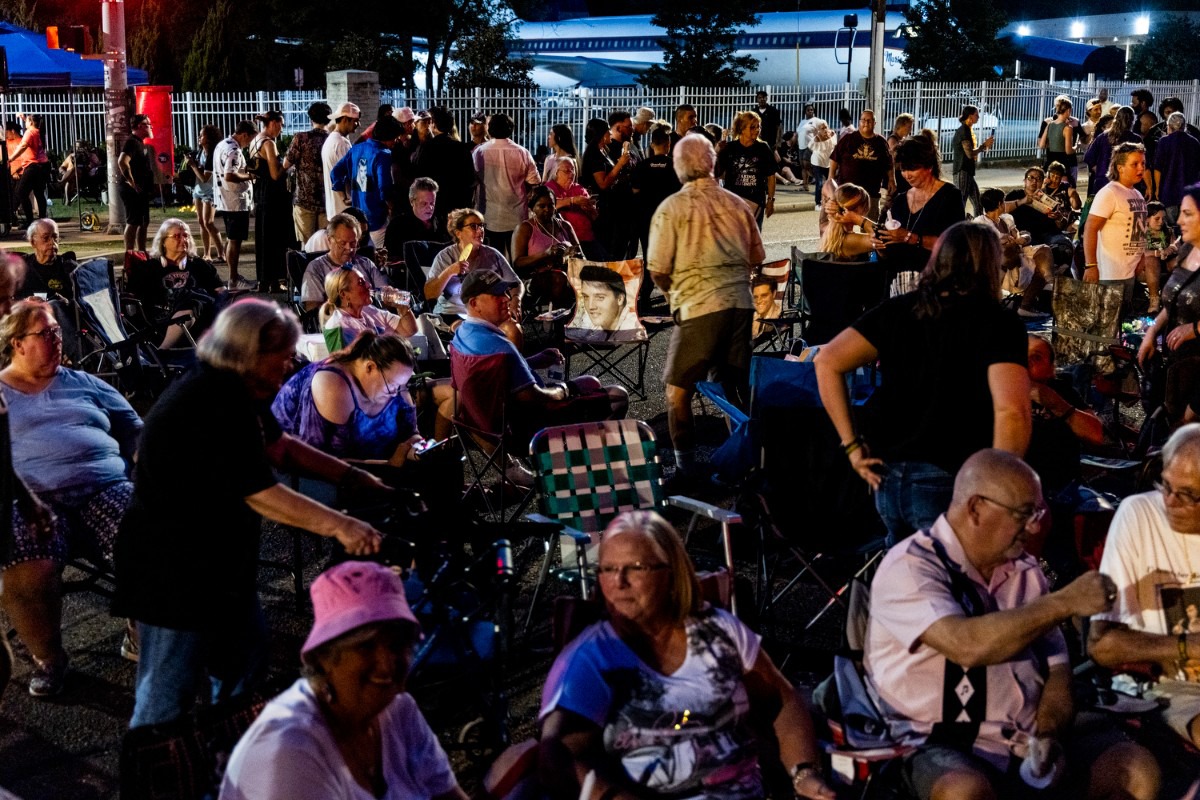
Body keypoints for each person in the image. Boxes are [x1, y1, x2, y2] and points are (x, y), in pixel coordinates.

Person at [114, 298, 390, 727]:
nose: (288, 365)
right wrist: (342, 526)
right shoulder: (212, 399)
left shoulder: (243, 388)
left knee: (244, 665)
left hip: (220, 561)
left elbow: (279, 447)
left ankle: (230, 762)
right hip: (174, 570)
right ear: (248, 353)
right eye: (280, 357)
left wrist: (351, 475)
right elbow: (261, 492)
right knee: (167, 696)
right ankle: (155, 774)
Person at [865, 449, 1159, 800]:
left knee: (1136, 769)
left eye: (1037, 512)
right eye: (1024, 513)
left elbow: (1058, 671)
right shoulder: (912, 567)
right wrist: (1063, 601)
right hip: (934, 738)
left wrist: (1050, 735)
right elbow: (967, 646)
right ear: (975, 508)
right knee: (965, 790)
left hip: (1026, 739)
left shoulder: (1024, 570)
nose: (1035, 526)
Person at [539, 510, 837, 800]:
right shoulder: (593, 657)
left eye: (635, 567)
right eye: (607, 569)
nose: (618, 582)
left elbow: (780, 701)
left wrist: (805, 774)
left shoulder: (718, 631)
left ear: (670, 572)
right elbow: (558, 754)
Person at [814, 222, 1030, 541]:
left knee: (906, 582)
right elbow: (1012, 412)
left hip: (888, 475)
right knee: (951, 583)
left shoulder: (900, 310)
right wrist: (996, 488)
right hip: (953, 478)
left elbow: (827, 360)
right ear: (989, 265)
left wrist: (853, 447)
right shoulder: (997, 323)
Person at [219, 560, 467, 800]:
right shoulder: (289, 752)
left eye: (397, 644)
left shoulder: (401, 712)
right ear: (324, 658)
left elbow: (449, 795)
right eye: (365, 646)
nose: (385, 664)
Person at [0, 300, 142, 696]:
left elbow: (134, 426)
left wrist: (143, 457)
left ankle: (139, 632)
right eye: (45, 334)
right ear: (18, 344)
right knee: (29, 564)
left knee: (149, 537)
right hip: (32, 498)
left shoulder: (84, 382)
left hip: (104, 487)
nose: (57, 339)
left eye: (57, 332)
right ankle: (49, 659)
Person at [648, 134, 763, 482]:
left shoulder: (672, 208)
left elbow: (657, 269)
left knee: (678, 391)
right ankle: (744, 462)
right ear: (712, 163)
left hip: (699, 306)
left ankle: (686, 469)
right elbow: (757, 257)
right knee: (733, 389)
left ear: (679, 167)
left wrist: (676, 295)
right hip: (740, 304)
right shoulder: (737, 204)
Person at [1087, 423, 1200, 748]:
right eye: (1165, 485)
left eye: (1188, 494)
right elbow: (1101, 646)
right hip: (1173, 688)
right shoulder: (1139, 515)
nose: (1170, 501)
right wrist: (1186, 646)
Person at [451, 269, 627, 451]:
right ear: (474, 303)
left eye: (505, 292)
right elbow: (531, 397)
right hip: (529, 429)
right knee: (617, 396)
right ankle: (587, 458)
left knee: (592, 381)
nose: (506, 299)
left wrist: (535, 360)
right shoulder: (500, 347)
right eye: (497, 295)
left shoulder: (461, 338)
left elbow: (499, 376)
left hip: (490, 427)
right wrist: (562, 391)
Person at [273, 331, 453, 470]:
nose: (396, 393)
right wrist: (388, 464)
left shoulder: (394, 385)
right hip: (307, 471)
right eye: (392, 385)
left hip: (370, 463)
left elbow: (410, 432)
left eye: (401, 386)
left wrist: (415, 447)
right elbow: (316, 459)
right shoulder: (333, 385)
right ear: (370, 367)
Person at [1137, 183, 1200, 421]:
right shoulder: (1186, 251)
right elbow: (1171, 301)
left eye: (1188, 214)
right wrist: (1152, 332)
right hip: (1179, 362)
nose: (1179, 221)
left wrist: (1194, 329)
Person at [871, 135, 965, 278]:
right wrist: (881, 246)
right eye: (903, 169)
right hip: (899, 282)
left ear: (929, 166)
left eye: (912, 168)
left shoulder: (950, 196)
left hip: (934, 281)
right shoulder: (900, 200)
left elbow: (953, 245)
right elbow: (890, 253)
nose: (907, 175)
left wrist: (910, 237)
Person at [426, 208, 523, 343]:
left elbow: (515, 283)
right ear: (458, 233)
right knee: (473, 334)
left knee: (513, 330)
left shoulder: (492, 254)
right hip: (453, 313)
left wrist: (515, 300)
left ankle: (515, 363)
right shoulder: (445, 257)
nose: (480, 230)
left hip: (487, 313)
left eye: (482, 225)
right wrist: (449, 271)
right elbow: (429, 294)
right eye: (473, 226)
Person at [126, 218, 225, 348]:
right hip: (160, 322)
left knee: (192, 300)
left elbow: (221, 293)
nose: (183, 240)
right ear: (163, 241)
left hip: (199, 324)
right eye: (177, 236)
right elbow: (130, 299)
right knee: (187, 299)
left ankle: (162, 351)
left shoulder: (200, 266)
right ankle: (163, 351)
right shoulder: (148, 269)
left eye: (186, 236)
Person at [1083, 142, 1148, 317]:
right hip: (1109, 273)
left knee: (1121, 324)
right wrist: (1090, 265)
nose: (1141, 168)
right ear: (1120, 167)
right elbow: (1090, 228)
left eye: (1143, 163)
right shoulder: (1109, 193)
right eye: (1135, 164)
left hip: (1128, 272)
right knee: (1105, 324)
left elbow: (1140, 229)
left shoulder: (1137, 194)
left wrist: (1141, 257)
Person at [975, 188, 1053, 319]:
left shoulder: (1006, 219)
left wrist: (1025, 237)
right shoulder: (980, 223)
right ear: (1000, 204)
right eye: (1004, 202)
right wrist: (1002, 241)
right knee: (1007, 251)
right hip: (998, 263)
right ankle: (991, 303)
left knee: (1044, 250)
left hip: (1018, 256)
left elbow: (1020, 234)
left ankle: (1045, 285)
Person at [472, 113, 540, 259]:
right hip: (517, 216)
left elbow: (472, 180)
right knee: (517, 259)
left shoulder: (479, 152)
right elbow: (535, 182)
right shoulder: (522, 152)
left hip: (489, 215)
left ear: (489, 129)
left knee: (492, 260)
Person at [331, 114, 400, 251]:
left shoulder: (356, 149)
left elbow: (335, 172)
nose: (396, 141)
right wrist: (391, 207)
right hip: (377, 218)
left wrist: (343, 195)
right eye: (395, 137)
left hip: (358, 217)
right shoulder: (383, 154)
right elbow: (384, 187)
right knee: (380, 258)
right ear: (389, 136)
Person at [300, 215, 393, 313]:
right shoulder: (316, 269)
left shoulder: (365, 263)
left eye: (353, 243)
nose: (349, 249)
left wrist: (390, 297)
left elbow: (384, 295)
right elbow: (312, 309)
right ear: (329, 240)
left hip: (374, 321)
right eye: (342, 243)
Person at [319, 266, 417, 353]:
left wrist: (402, 307)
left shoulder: (370, 311)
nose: (368, 285)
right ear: (344, 294)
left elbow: (408, 330)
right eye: (361, 283)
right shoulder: (338, 327)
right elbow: (348, 366)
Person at [247, 111, 294, 291]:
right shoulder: (269, 144)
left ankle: (264, 279)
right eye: (281, 124)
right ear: (273, 123)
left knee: (263, 237)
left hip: (261, 193)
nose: (281, 128)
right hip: (273, 195)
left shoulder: (255, 141)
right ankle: (274, 279)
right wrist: (288, 165)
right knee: (275, 239)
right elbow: (275, 174)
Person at [511, 185, 576, 312]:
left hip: (567, 272)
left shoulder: (564, 226)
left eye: (551, 205)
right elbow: (517, 263)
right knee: (559, 278)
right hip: (535, 278)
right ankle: (559, 324)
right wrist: (545, 254)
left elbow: (581, 255)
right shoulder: (525, 228)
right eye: (542, 206)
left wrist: (570, 254)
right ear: (532, 208)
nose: (547, 209)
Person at [411, 106, 476, 225]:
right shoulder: (461, 148)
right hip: (457, 207)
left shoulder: (425, 148)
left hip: (434, 207)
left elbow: (418, 177)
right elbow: (470, 180)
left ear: (433, 124)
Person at [213, 120, 258, 290]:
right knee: (235, 240)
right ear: (244, 134)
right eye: (250, 139)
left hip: (225, 198)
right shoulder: (234, 151)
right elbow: (230, 175)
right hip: (235, 200)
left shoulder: (222, 145)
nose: (249, 143)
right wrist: (251, 177)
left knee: (231, 238)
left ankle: (234, 276)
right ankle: (233, 279)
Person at [582, 117, 633, 261]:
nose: (610, 135)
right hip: (601, 210)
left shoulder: (604, 151)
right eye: (607, 132)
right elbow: (603, 183)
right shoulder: (594, 155)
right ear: (601, 135)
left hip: (611, 207)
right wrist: (620, 164)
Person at [829, 109, 894, 221]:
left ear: (874, 123)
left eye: (869, 120)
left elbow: (889, 163)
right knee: (843, 225)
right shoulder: (848, 139)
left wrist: (892, 179)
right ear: (859, 121)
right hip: (847, 193)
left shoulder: (881, 142)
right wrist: (830, 178)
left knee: (870, 229)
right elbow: (834, 159)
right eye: (863, 120)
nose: (866, 123)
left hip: (871, 194)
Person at [717, 110, 777, 229]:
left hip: (755, 200)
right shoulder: (730, 148)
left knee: (752, 237)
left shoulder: (763, 148)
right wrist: (718, 150)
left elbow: (771, 175)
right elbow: (718, 173)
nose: (756, 130)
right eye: (752, 127)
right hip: (733, 200)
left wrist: (770, 200)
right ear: (742, 129)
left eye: (758, 127)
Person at [283, 101, 331, 244]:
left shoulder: (301, 138)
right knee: (325, 244)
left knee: (307, 244)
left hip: (304, 199)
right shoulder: (333, 140)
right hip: (326, 199)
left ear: (311, 119)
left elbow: (286, 164)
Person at [384, 177, 450, 263]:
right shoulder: (397, 226)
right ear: (412, 201)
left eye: (432, 203)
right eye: (424, 203)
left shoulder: (443, 223)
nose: (430, 208)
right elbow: (390, 258)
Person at [185, 124, 225, 262]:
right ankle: (207, 254)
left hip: (210, 191)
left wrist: (192, 165)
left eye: (202, 135)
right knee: (201, 222)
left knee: (209, 222)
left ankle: (221, 253)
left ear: (209, 138)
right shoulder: (200, 152)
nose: (199, 137)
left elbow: (204, 177)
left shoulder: (213, 154)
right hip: (198, 190)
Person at [545, 157, 600, 259]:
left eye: (573, 170)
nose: (571, 174)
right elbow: (550, 205)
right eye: (566, 171)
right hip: (565, 241)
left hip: (587, 238)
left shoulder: (579, 188)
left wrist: (590, 209)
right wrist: (572, 200)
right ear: (556, 173)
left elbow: (595, 217)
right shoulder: (550, 187)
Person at [1152, 112, 1200, 223]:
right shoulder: (1194, 142)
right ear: (1184, 126)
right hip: (1189, 193)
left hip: (1168, 191)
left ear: (1169, 126)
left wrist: (1157, 189)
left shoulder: (1163, 141)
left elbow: (1158, 167)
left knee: (1170, 227)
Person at [1084, 106, 1141, 196]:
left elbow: (1088, 157)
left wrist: (1098, 169)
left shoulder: (1103, 136)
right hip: (1125, 183)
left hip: (1103, 181)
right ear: (1132, 120)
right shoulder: (1135, 139)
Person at [118, 114, 155, 252]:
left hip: (142, 190)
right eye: (148, 124)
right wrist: (131, 182)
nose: (151, 126)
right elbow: (122, 162)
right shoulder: (132, 142)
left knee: (143, 222)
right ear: (140, 126)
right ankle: (130, 254)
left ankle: (141, 252)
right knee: (133, 222)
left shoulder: (140, 143)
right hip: (132, 190)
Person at [572, 264, 638, 336]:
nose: (590, 306)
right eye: (586, 297)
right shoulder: (592, 325)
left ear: (620, 299)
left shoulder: (632, 328)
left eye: (600, 298)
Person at [953, 105, 994, 218]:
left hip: (967, 171)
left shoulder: (967, 129)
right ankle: (958, 226)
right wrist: (984, 146)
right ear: (970, 116)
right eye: (976, 114)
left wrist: (984, 146)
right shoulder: (964, 131)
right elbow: (969, 153)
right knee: (961, 202)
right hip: (963, 171)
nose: (978, 117)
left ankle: (979, 224)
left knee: (978, 202)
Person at [322, 102, 360, 222]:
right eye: (355, 121)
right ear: (344, 119)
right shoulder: (341, 143)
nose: (358, 124)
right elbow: (346, 175)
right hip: (343, 208)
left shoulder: (332, 139)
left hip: (335, 207)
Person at [820, 183, 876, 261]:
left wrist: (834, 200)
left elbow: (828, 183)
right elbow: (882, 238)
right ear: (858, 210)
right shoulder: (849, 241)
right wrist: (858, 219)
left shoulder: (825, 227)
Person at [1038, 97, 1077, 186]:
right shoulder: (1068, 128)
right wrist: (1076, 147)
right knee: (1064, 188)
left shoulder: (1049, 124)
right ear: (1068, 110)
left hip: (1050, 162)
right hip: (1062, 163)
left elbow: (1041, 145)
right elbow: (1068, 151)